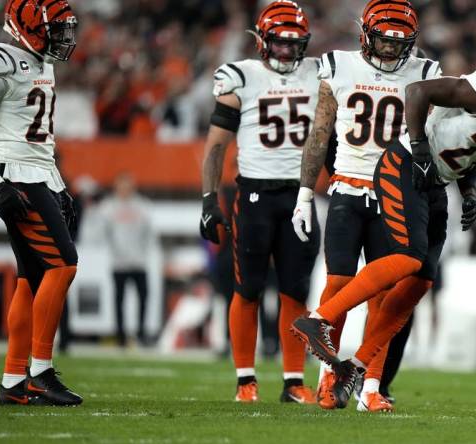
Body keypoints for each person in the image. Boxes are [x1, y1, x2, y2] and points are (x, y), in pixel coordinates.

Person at [292, 39, 476, 407]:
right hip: (404, 164)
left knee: (419, 283)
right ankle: (319, 320)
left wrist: (469, 188)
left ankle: (357, 368)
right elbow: (417, 92)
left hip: (436, 181)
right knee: (408, 258)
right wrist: (420, 148)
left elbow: (475, 149)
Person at [290, 0, 440, 412]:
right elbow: (319, 133)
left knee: (386, 294)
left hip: (397, 193)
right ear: (365, 34)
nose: (391, 50)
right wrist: (305, 193)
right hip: (347, 189)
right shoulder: (338, 65)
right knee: (338, 285)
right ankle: (327, 378)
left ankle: (370, 386)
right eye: (384, 41)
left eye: (398, 43)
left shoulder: (427, 73)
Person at [199, 0, 320, 404]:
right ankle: (245, 380)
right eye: (279, 43)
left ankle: (292, 381)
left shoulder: (320, 72)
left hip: (300, 195)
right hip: (254, 194)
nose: (286, 52)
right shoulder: (242, 76)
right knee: (247, 288)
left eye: (293, 44)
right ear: (261, 42)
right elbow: (216, 146)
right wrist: (208, 199)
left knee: (295, 291)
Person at [0, 0, 81, 406]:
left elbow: (40, 139)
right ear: (27, 26)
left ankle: (13, 381)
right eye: (57, 29)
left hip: (38, 175)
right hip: (15, 177)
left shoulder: (41, 62)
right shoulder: (1, 61)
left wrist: (59, 185)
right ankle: (40, 372)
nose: (64, 38)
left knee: (30, 280)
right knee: (63, 266)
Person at [99, 173, 154, 346]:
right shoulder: (108, 207)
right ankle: (121, 335)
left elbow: (149, 233)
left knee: (143, 297)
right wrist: (116, 252)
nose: (125, 189)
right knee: (119, 299)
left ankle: (141, 332)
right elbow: (104, 233)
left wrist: (143, 253)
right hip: (119, 262)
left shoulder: (142, 206)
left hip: (139, 261)